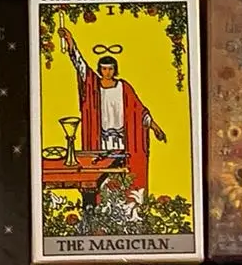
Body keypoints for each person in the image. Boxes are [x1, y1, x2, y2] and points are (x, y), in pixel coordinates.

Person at [59, 26, 166, 194]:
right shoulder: (93, 86)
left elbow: (139, 112)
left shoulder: (124, 87)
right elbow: (80, 65)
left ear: (115, 69)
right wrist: (70, 40)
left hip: (123, 142)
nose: (107, 72)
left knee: (123, 176)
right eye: (104, 68)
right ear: (100, 69)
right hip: (101, 142)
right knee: (103, 178)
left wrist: (155, 128)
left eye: (110, 68)